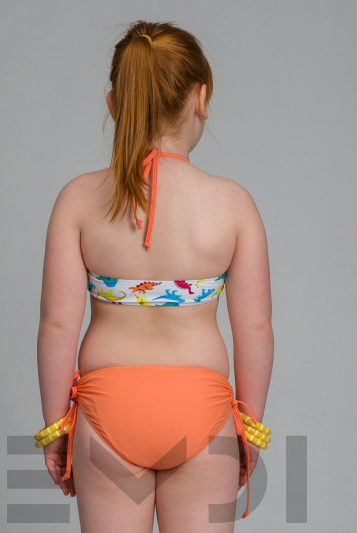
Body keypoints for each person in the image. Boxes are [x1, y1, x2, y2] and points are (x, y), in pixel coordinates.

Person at [37, 19, 274, 533]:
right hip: (201, 410)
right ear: (200, 98)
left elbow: (56, 326)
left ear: (114, 104)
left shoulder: (78, 200)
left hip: (107, 410)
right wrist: (250, 429)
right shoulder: (232, 205)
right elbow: (255, 329)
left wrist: (55, 428)